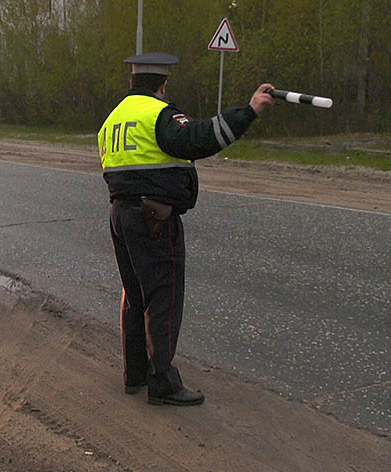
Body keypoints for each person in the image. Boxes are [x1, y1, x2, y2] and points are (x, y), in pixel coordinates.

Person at [98, 52, 275, 406]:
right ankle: (162, 382)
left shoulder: (113, 120)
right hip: (155, 218)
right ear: (162, 85)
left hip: (121, 216)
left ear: (133, 83)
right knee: (164, 296)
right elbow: (199, 137)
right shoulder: (158, 113)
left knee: (135, 296)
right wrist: (250, 111)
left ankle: (135, 374)